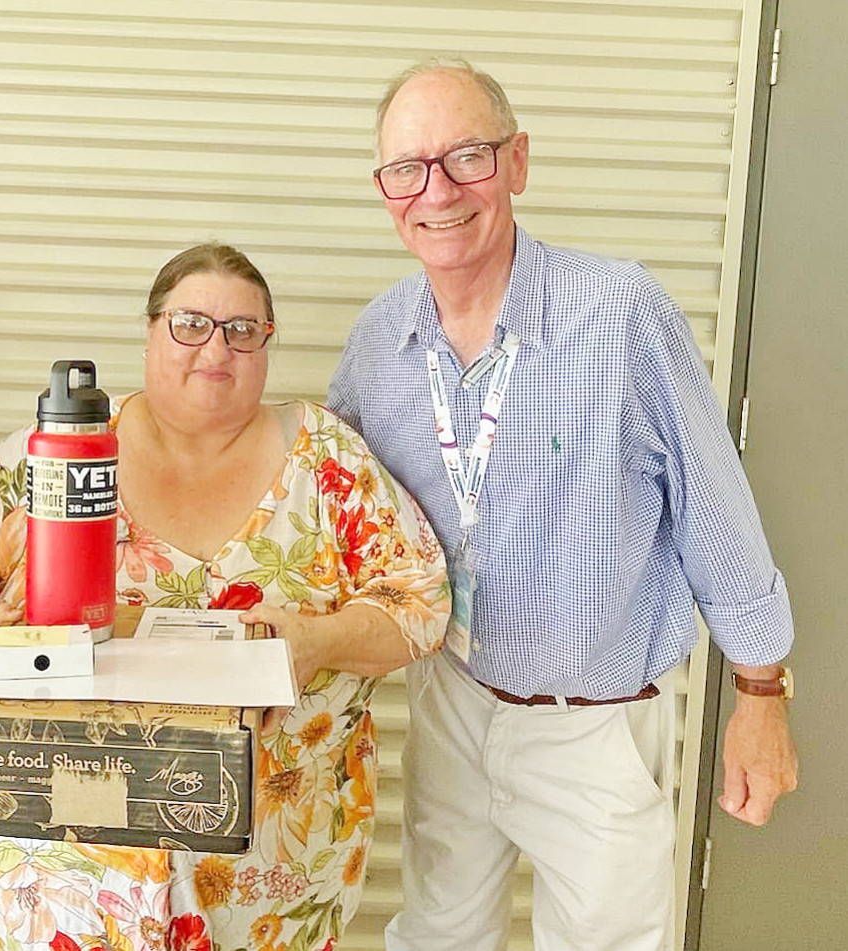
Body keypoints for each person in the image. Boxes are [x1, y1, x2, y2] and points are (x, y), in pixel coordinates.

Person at [328, 58, 799, 951]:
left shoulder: (619, 312)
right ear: (386, 191)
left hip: (596, 721)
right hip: (452, 694)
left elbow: (716, 507)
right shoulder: (380, 340)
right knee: (437, 934)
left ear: (517, 161)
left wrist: (762, 691)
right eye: (407, 168)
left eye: (467, 156)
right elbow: (332, 507)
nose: (438, 191)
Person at [0, 243, 451, 951]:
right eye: (190, 324)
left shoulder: (328, 461)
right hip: (61, 872)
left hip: (269, 877)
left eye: (242, 329)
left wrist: (318, 641)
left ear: (266, 343)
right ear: (148, 332)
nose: (216, 348)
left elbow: (421, 605)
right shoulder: (57, 449)